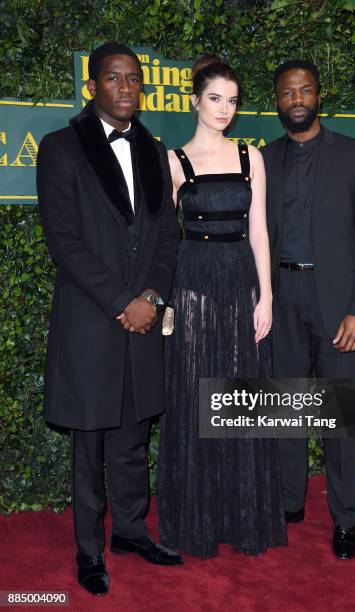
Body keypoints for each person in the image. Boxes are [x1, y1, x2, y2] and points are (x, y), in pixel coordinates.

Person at [37, 42, 182, 597]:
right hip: (94, 320)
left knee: (132, 435)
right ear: (93, 85)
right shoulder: (60, 148)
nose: (126, 88)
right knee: (90, 441)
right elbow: (66, 244)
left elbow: (168, 235)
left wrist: (151, 296)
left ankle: (129, 532)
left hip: (144, 317)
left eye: (134, 80)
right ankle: (89, 550)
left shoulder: (154, 148)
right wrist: (124, 301)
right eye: (113, 78)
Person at [157, 56, 287, 558]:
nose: (224, 110)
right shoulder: (174, 162)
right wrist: (163, 302)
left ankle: (243, 515)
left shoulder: (251, 157)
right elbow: (166, 240)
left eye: (232, 101)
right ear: (194, 100)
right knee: (195, 400)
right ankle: (198, 520)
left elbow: (259, 231)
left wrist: (267, 296)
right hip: (191, 285)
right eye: (215, 99)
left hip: (241, 285)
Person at [262, 59, 355, 559]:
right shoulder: (263, 161)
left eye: (305, 90)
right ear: (276, 102)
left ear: (319, 96)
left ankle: (344, 519)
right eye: (287, 92)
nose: (296, 98)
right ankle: (290, 501)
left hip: (337, 303)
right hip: (281, 298)